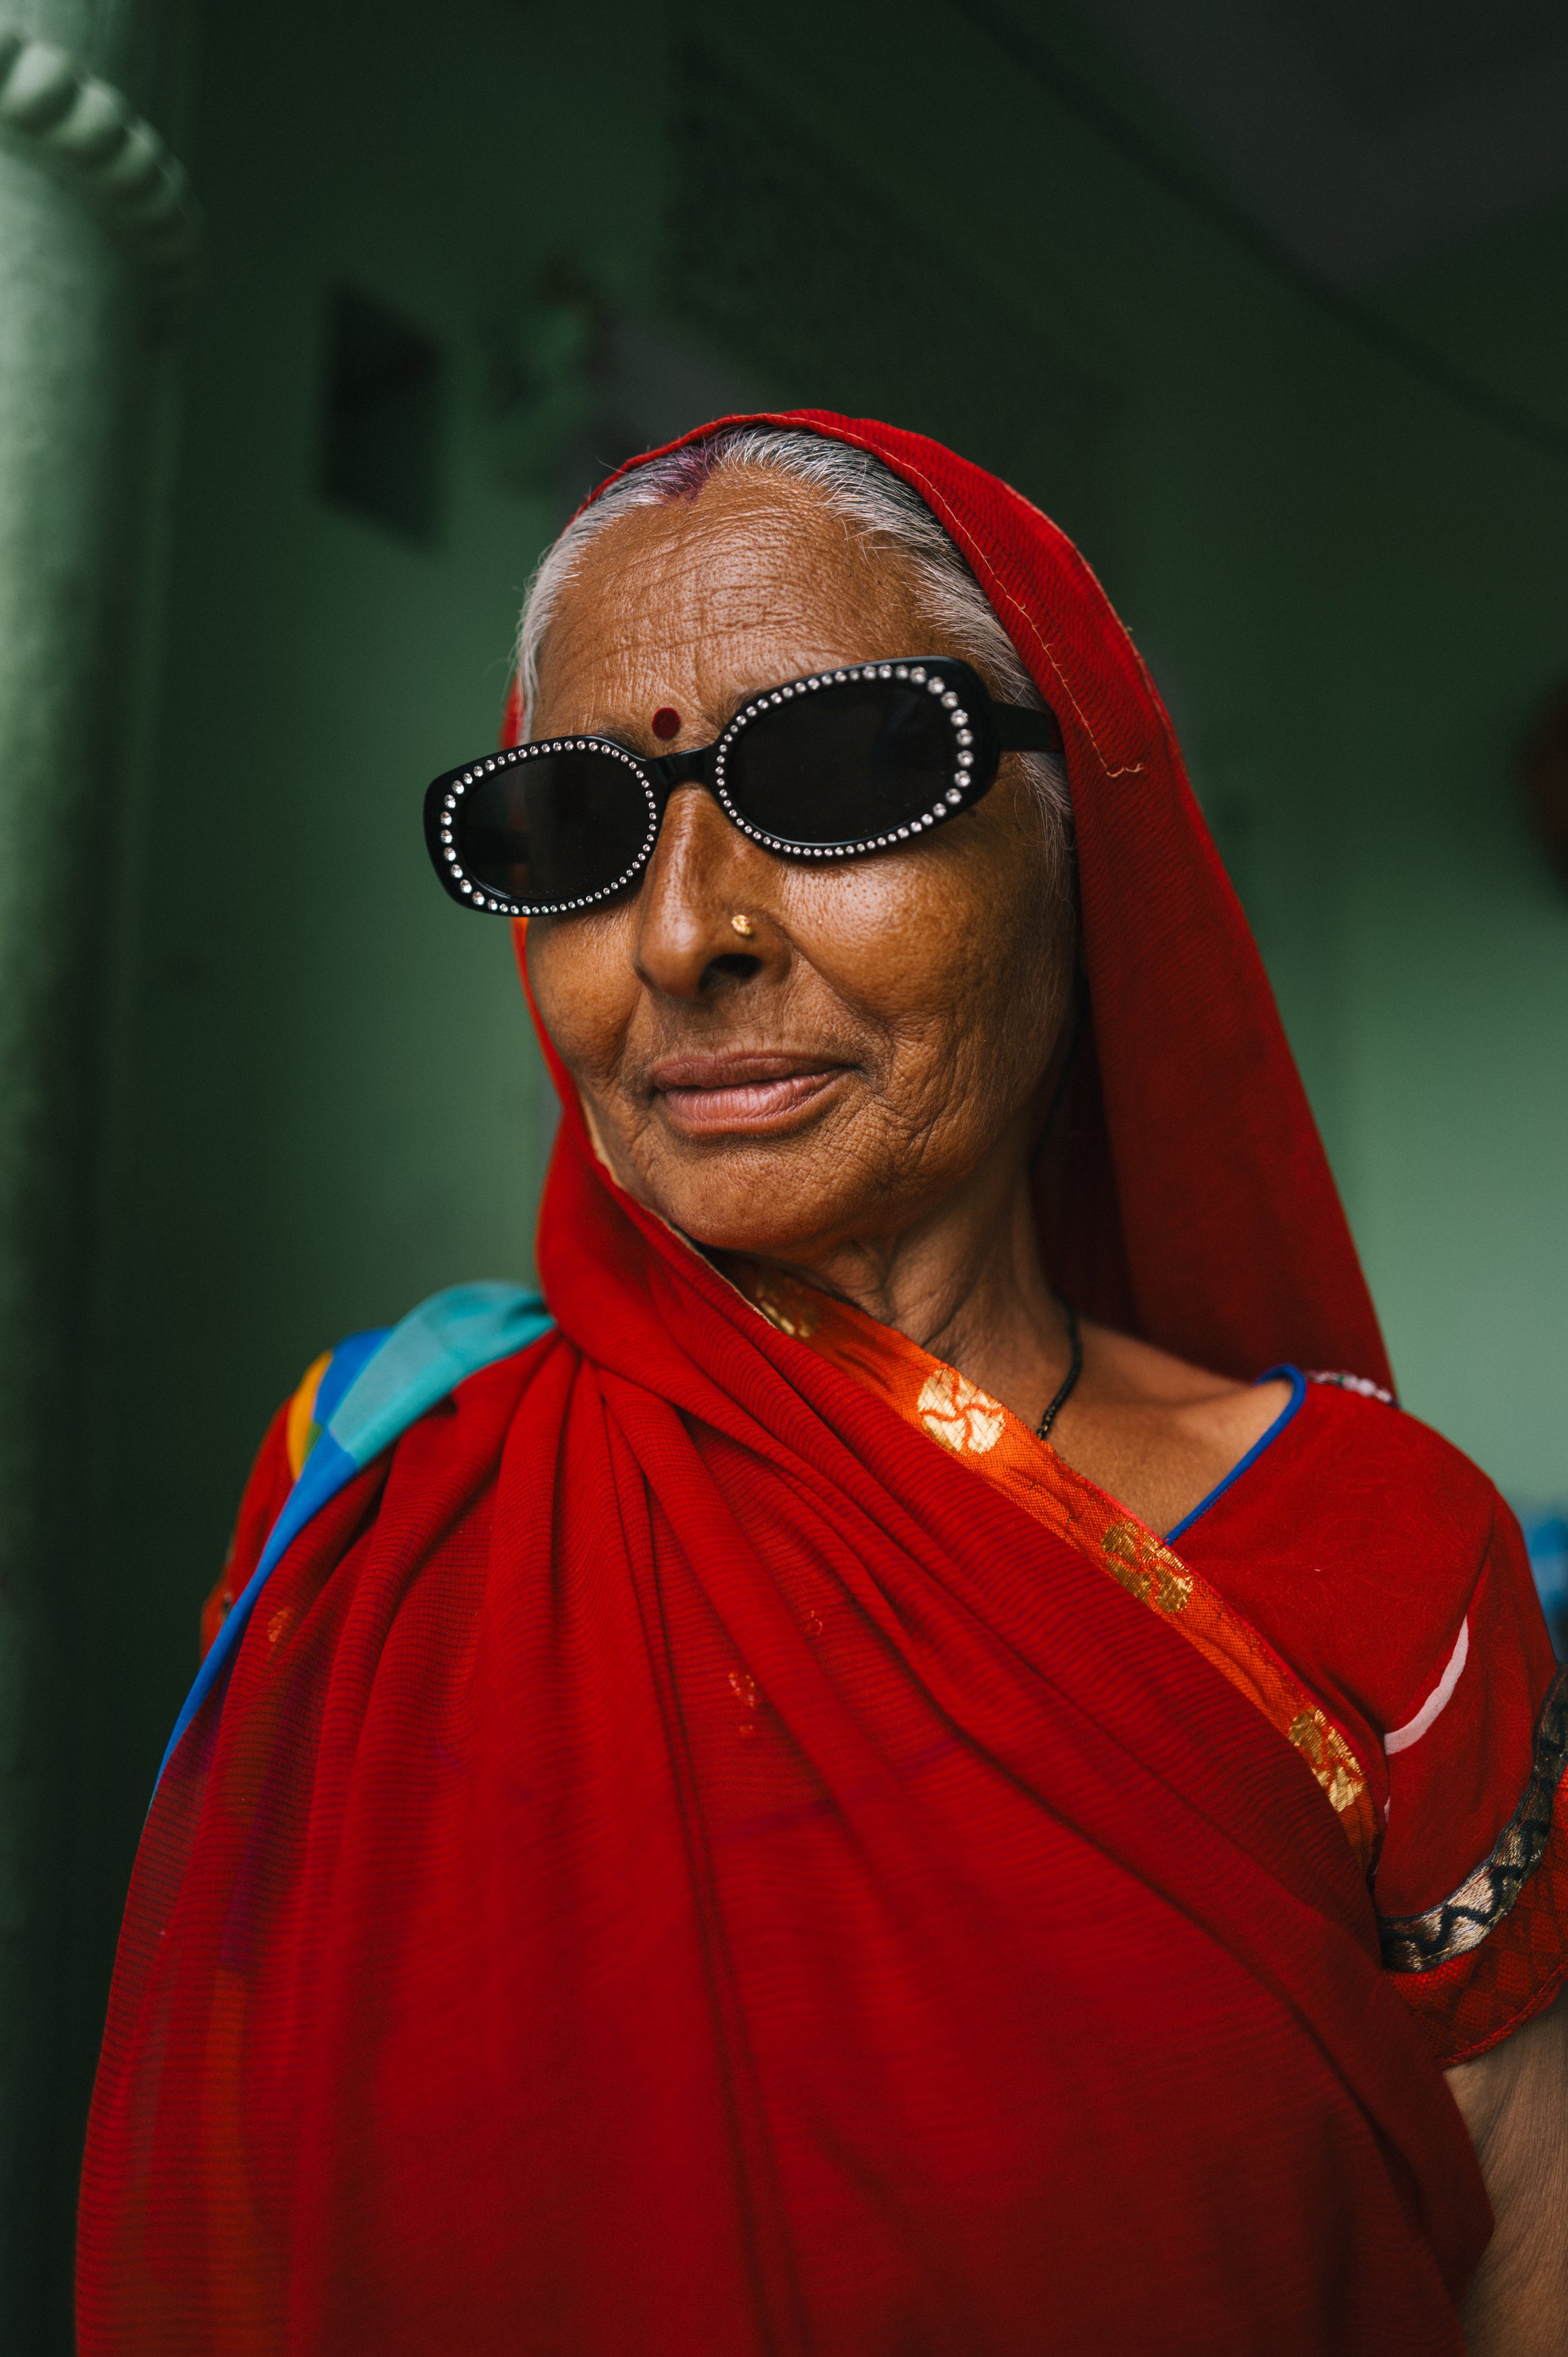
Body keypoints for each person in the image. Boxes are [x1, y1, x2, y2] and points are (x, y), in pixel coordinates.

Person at [78, 413, 1568, 2354]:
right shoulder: (379, 1474)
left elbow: (1517, 2247)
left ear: (1075, 826)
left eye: (843, 768)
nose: (684, 933)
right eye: (573, 828)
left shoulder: (1368, 1546)